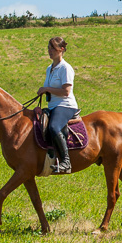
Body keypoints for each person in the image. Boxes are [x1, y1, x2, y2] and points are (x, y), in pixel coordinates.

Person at [37, 36, 80, 173]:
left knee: (54, 126)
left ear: (61, 49)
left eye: (53, 48)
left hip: (66, 105)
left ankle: (66, 162)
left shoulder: (65, 68)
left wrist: (47, 89)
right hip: (53, 106)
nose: (50, 51)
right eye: (49, 48)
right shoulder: (49, 68)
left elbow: (66, 91)